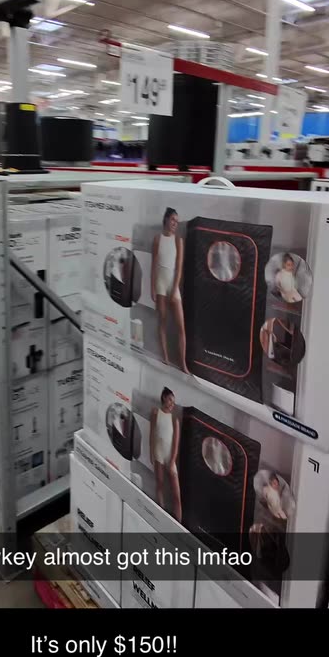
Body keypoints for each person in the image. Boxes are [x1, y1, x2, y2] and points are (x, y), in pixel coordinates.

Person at [151, 207, 188, 373]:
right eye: (173, 219)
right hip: (160, 284)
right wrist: (152, 288)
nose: (175, 223)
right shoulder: (157, 239)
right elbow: (153, 265)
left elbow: (179, 268)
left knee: (181, 327)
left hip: (172, 284)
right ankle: (165, 358)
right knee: (162, 322)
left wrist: (174, 290)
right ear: (166, 219)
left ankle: (183, 364)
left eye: (177, 221)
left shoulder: (178, 241)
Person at [150, 387, 182, 522]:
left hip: (170, 457)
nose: (171, 404)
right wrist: (151, 452)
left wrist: (172, 461)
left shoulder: (175, 420)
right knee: (159, 484)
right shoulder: (155, 413)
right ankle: (160, 516)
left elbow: (175, 443)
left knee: (176, 495)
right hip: (158, 453)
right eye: (170, 400)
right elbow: (152, 434)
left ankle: (178, 523)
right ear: (164, 397)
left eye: (173, 402)